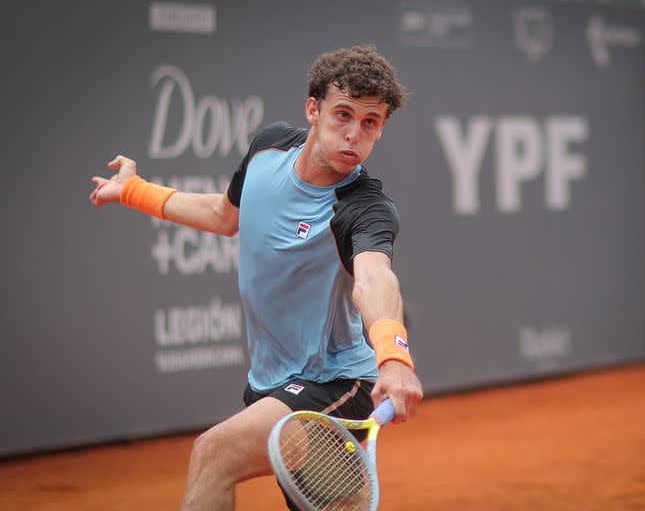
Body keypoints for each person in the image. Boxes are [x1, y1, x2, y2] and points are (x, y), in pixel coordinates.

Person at [89, 45, 423, 510]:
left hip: (335, 381)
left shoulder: (364, 207)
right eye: (342, 114)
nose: (353, 135)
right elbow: (223, 215)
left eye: (370, 122)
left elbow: (374, 280)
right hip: (270, 381)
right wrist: (135, 192)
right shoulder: (269, 147)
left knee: (213, 452)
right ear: (313, 109)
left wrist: (393, 357)